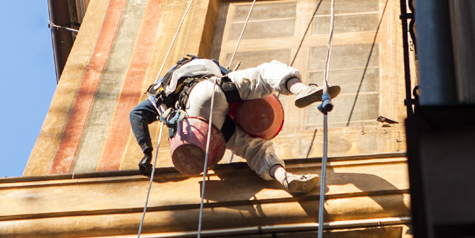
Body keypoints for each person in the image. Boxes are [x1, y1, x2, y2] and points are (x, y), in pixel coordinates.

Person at [129, 55, 339, 194]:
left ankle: (284, 177)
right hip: (208, 91)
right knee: (264, 74)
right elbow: (235, 84)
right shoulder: (205, 63)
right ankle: (300, 89)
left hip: (200, 124)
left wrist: (147, 151)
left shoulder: (162, 88)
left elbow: (136, 114)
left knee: (252, 148)